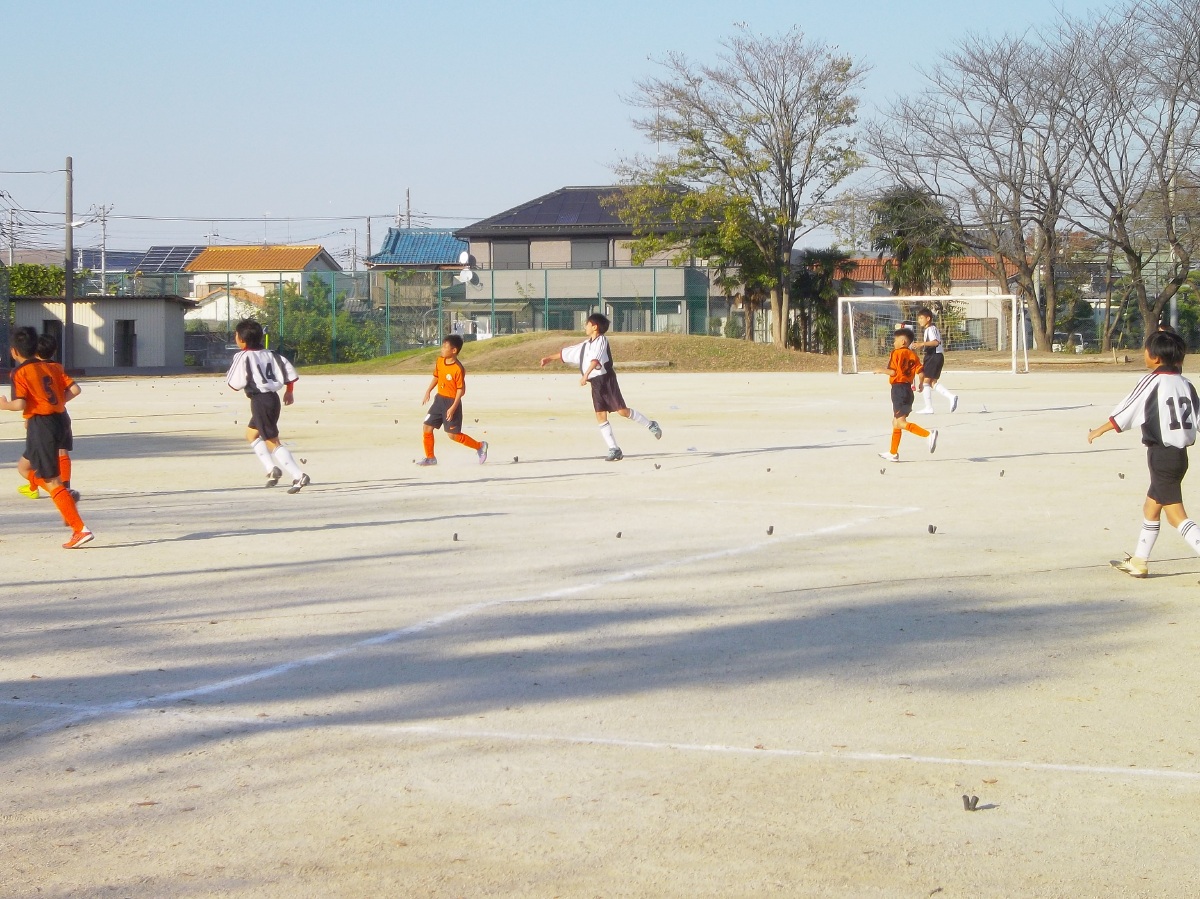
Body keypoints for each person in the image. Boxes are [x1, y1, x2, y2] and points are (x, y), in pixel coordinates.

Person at [1088, 329, 1200, 577]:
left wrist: (1100, 429)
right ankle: (1139, 561)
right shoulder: (1186, 384)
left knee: (1176, 517)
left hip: (1162, 456)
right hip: (1179, 457)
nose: (1144, 354)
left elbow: (1126, 412)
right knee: (1151, 508)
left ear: (1155, 357)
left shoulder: (1151, 381)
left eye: (1146, 350)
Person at [0, 326, 93, 548]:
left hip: (42, 425)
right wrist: (52, 404)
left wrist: (3, 405)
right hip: (60, 420)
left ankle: (79, 529)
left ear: (14, 351)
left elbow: (19, 404)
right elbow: (72, 390)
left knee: (52, 480)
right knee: (24, 467)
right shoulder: (52, 366)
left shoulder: (20, 372)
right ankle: (65, 495)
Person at [540, 312, 662, 461]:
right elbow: (568, 352)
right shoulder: (586, 345)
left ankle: (650, 424)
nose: (585, 326)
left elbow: (595, 360)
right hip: (596, 383)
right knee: (600, 414)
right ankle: (614, 448)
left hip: (607, 380)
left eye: (587, 324)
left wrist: (585, 375)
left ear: (595, 327)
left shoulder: (602, 341)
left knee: (622, 411)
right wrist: (549, 358)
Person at [225, 319, 310, 493]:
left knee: (272, 441)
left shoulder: (242, 356)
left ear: (241, 339)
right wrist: (289, 391)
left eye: (236, 335)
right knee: (251, 434)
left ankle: (298, 474)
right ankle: (272, 469)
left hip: (260, 401)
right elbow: (289, 373)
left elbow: (234, 384)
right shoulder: (272, 354)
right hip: (272, 398)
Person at [17, 333, 78, 502]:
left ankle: (49, 489)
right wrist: (58, 402)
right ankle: (65, 486)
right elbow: (75, 389)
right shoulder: (57, 367)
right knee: (61, 450)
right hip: (61, 416)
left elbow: (29, 399)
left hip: (42, 420)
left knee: (29, 464)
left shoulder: (32, 370)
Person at [417, 334, 487, 466]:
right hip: (439, 400)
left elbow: (461, 390)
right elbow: (437, 376)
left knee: (452, 435)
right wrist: (428, 391)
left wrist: (453, 407)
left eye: (445, 347)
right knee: (427, 427)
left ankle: (480, 446)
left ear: (454, 350)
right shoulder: (440, 361)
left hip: (451, 402)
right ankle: (430, 458)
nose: (442, 349)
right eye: (442, 346)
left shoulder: (458, 369)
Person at [877, 326, 938, 462]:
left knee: (900, 422)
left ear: (903, 341)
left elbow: (893, 372)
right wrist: (921, 384)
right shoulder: (913, 355)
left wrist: (881, 370)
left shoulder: (896, 353)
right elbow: (921, 372)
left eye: (895, 340)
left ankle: (928, 434)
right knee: (895, 422)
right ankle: (893, 453)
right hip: (908, 390)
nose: (894, 343)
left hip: (898, 389)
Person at [912, 307, 959, 414]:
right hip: (935, 356)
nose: (919, 320)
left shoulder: (930, 329)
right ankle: (951, 397)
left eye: (921, 318)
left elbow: (935, 342)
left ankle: (929, 408)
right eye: (918, 318)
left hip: (934, 356)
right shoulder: (931, 329)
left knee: (926, 381)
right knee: (932, 382)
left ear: (928, 318)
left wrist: (921, 344)